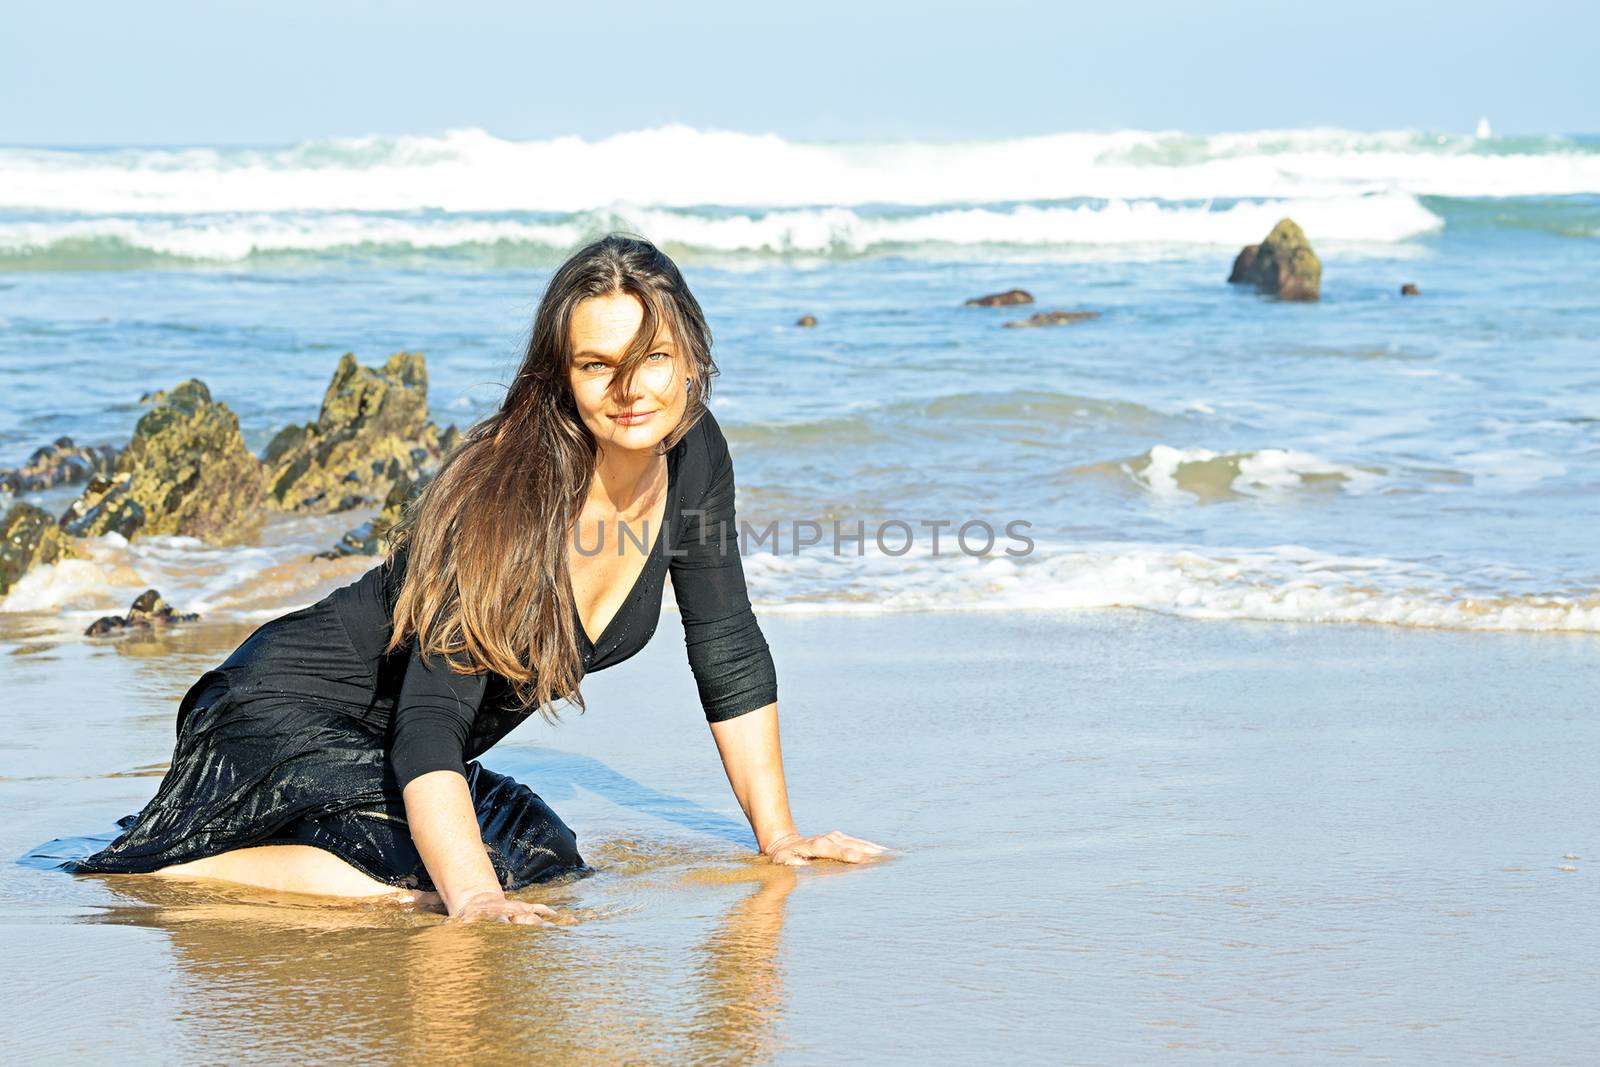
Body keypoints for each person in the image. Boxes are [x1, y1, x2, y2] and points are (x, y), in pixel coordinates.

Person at [58, 234, 889, 924]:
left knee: (543, 854)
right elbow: (429, 718)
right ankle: (185, 865)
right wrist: (474, 901)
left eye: (653, 356)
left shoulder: (695, 453)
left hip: (386, 750)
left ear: (692, 358)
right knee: (447, 886)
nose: (631, 388)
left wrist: (778, 836)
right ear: (561, 376)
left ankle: (247, 848)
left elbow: (726, 641)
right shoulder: (507, 495)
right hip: (275, 713)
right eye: (598, 364)